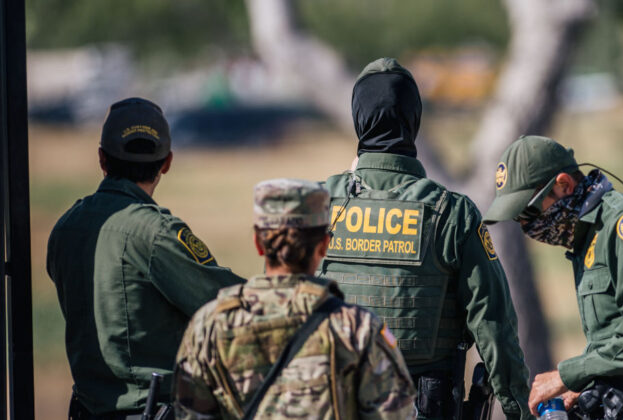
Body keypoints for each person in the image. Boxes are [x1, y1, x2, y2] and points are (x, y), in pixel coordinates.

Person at [319, 57, 532, 420]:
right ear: (414, 121)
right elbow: (493, 326)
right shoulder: (452, 213)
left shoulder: (318, 202)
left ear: (358, 119)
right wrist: (519, 411)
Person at [47, 97, 245, 419]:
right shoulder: (156, 233)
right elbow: (229, 302)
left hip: (86, 409)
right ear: (166, 162)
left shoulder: (67, 226)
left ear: (101, 158)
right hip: (150, 410)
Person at [483, 135, 623, 417]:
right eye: (517, 218)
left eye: (527, 210)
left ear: (564, 185)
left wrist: (565, 376)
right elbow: (613, 339)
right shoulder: (586, 236)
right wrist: (582, 384)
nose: (525, 224)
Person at [173, 178, 416, 419]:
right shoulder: (357, 328)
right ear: (324, 245)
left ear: (258, 243)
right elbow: (396, 414)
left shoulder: (209, 325)